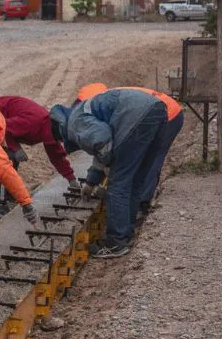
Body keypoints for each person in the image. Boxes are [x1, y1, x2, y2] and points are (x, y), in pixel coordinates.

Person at [50, 88, 168, 258]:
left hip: (135, 115)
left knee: (118, 185)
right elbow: (101, 147)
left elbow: (102, 139)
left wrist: (110, 166)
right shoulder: (82, 110)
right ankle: (126, 232)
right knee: (135, 180)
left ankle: (116, 243)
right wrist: (91, 181)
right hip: (157, 111)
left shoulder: (74, 122)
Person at [76, 82, 184, 215]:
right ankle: (135, 202)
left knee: (150, 159)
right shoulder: (109, 99)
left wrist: (103, 178)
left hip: (169, 115)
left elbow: (110, 146)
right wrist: (93, 180)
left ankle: (141, 204)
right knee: (139, 157)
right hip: (161, 109)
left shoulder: (104, 106)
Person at [0, 95, 80, 192]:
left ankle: (10, 193)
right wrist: (16, 148)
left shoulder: (50, 128)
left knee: (12, 156)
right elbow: (3, 126)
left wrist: (71, 180)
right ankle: (2, 201)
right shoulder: (32, 123)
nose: (59, 142)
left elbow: (57, 157)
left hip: (8, 123)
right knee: (8, 157)